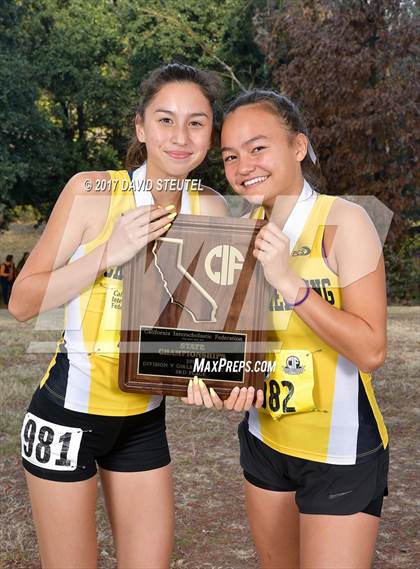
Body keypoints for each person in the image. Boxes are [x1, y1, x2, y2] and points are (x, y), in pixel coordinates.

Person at [9, 62, 226, 569]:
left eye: (196, 122)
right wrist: (108, 251)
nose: (180, 136)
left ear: (211, 134)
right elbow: (23, 302)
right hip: (67, 417)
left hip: (144, 422)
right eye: (165, 120)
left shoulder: (212, 208)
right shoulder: (92, 191)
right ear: (140, 128)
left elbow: (202, 329)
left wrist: (220, 373)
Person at [184, 90, 389, 569]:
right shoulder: (236, 232)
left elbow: (372, 350)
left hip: (338, 449)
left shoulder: (344, 221)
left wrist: (290, 284)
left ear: (298, 146)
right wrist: (212, 382)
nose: (242, 165)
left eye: (258, 148)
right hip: (264, 442)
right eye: (231, 155)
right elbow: (231, 345)